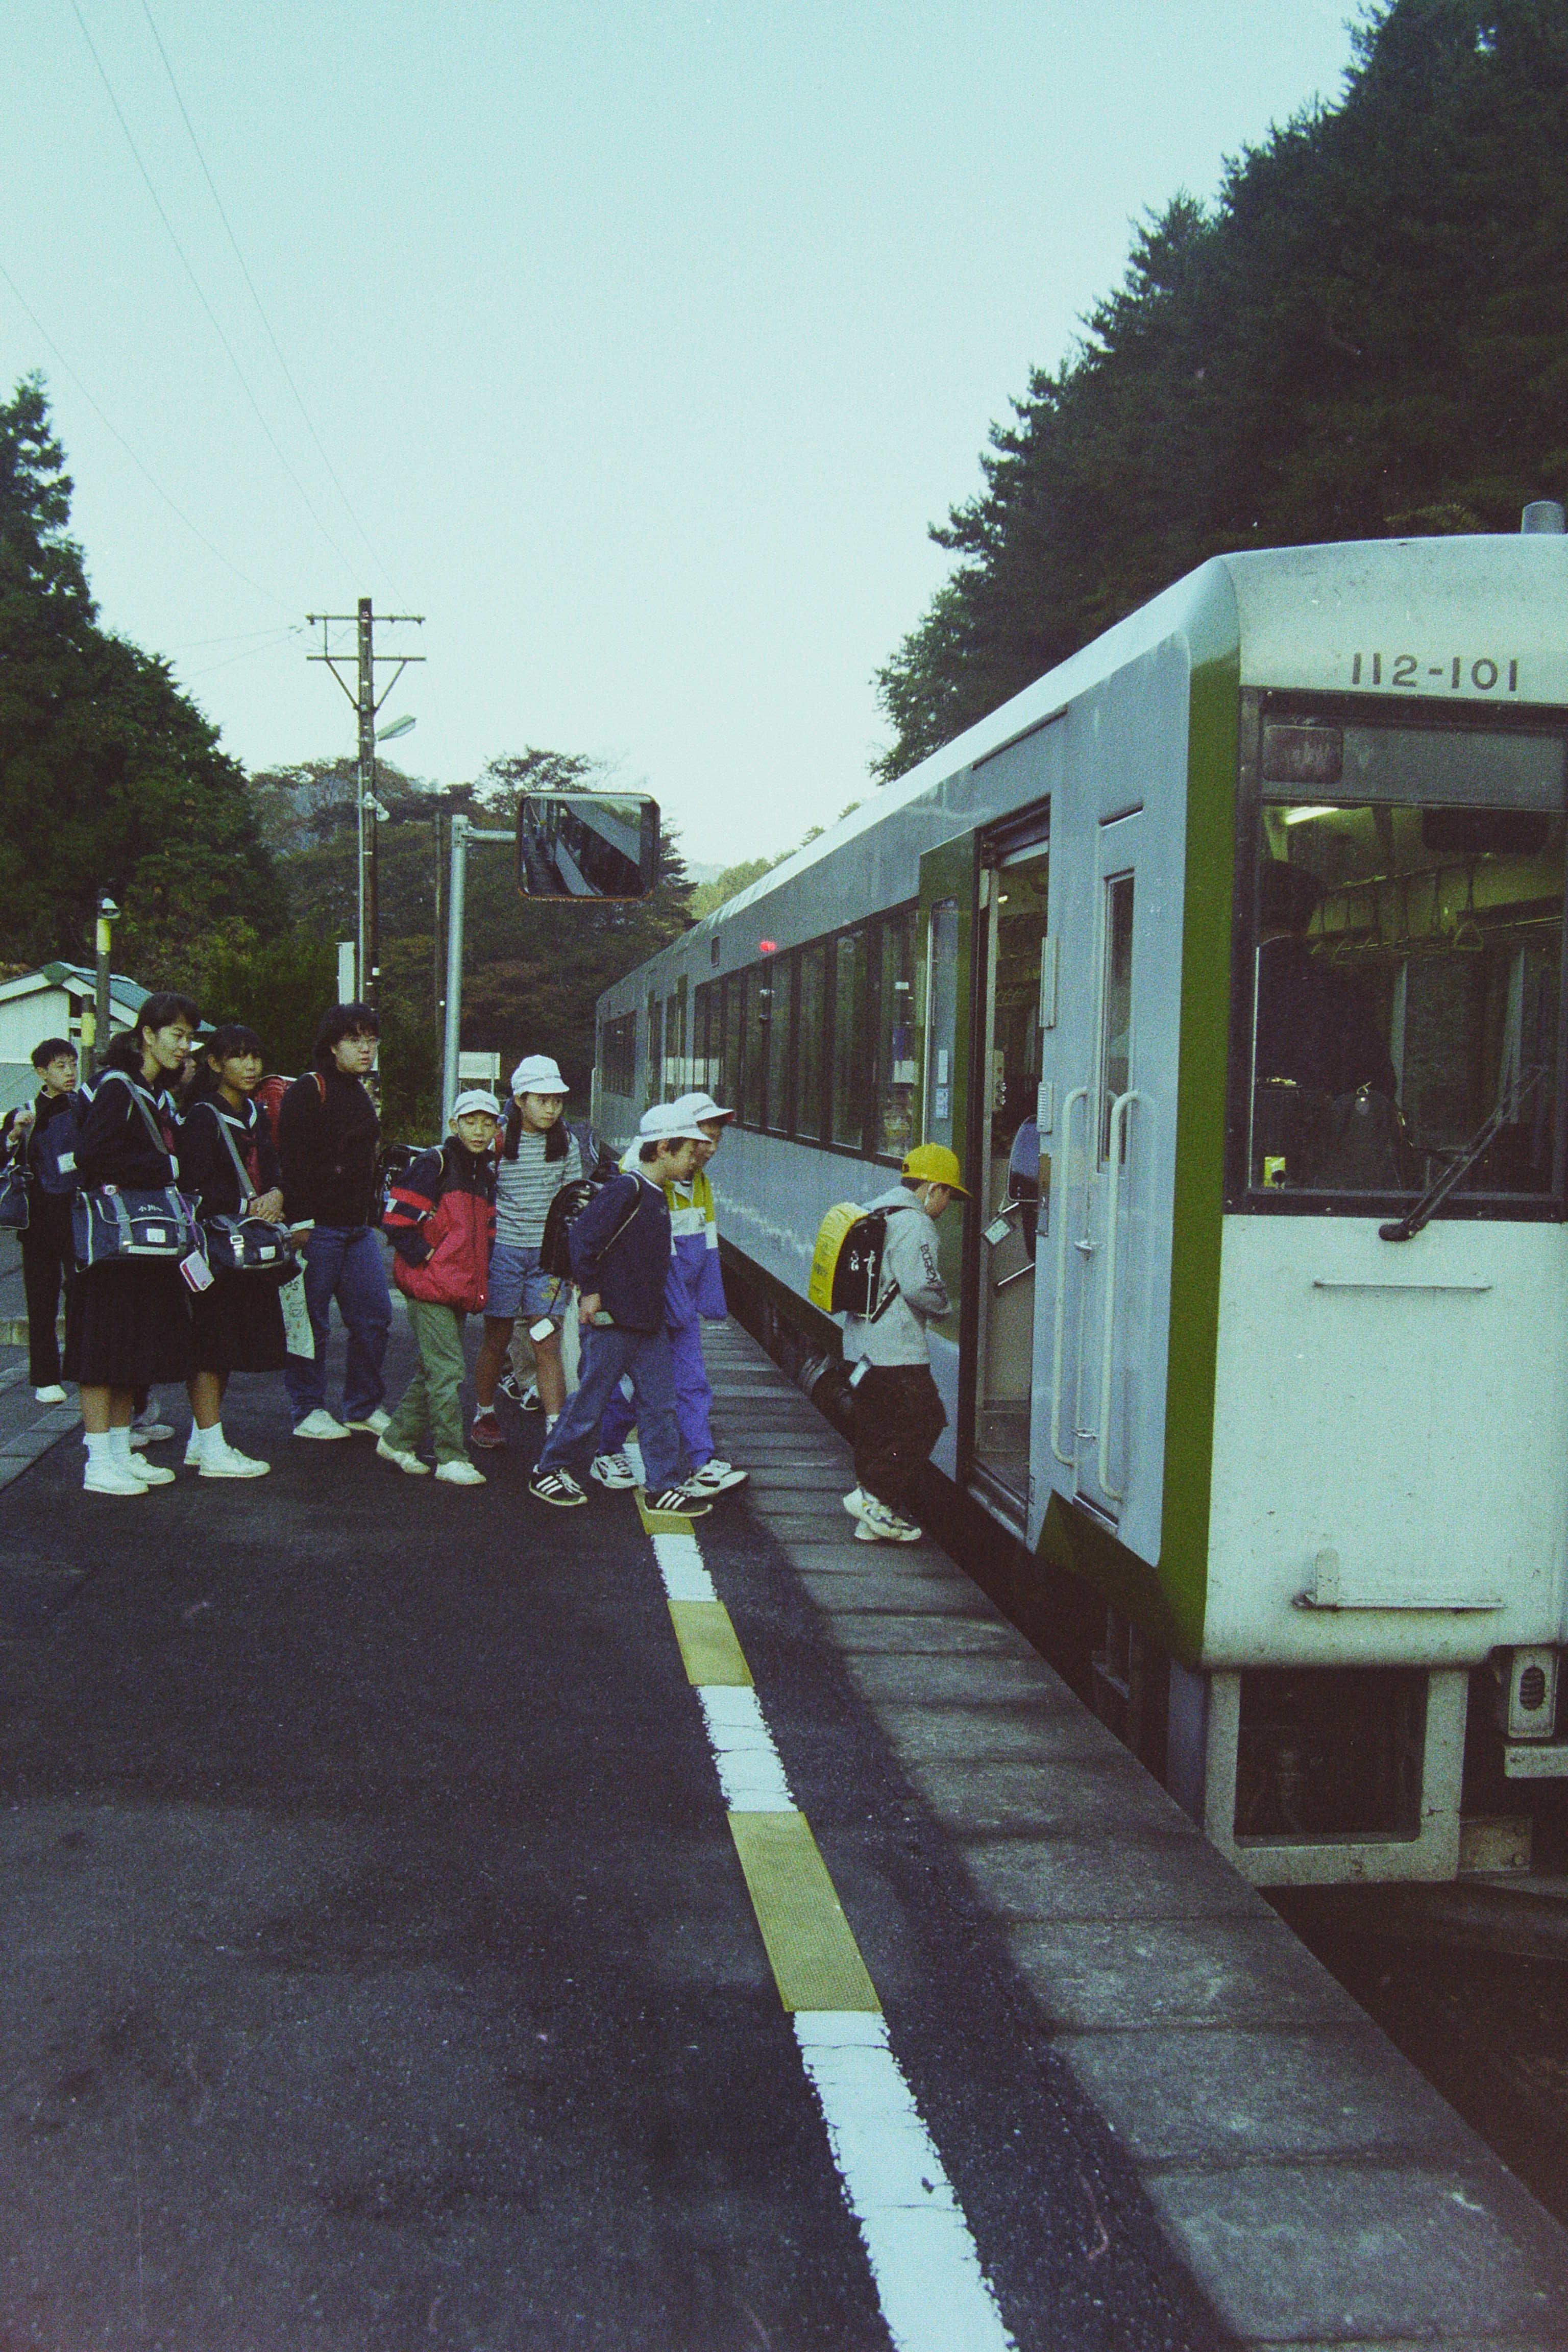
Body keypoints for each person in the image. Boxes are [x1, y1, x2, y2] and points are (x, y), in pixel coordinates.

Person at [527, 1108, 718, 1515]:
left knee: (660, 1404)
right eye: (687, 1151)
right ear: (664, 1148)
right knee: (592, 1400)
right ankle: (549, 1468)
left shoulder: (655, 1194)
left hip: (647, 1324)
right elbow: (582, 1239)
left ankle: (663, 1484)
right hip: (613, 1320)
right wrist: (591, 1293)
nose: (693, 1160)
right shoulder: (626, 1190)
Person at [65, 994, 199, 1497]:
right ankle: (98, 1460)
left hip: (133, 1244)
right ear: (147, 1034)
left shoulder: (146, 1091)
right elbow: (93, 1156)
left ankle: (119, 1451)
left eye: (189, 1038)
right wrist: (168, 1168)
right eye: (176, 1035)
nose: (184, 1047)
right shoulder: (119, 1089)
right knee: (101, 1350)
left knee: (125, 1348)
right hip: (108, 1244)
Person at [592, 1089, 747, 1497]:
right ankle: (606, 1450)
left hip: (679, 1304)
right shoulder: (636, 1177)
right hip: (642, 1303)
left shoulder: (699, 1182)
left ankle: (701, 1460)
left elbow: (708, 1243)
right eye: (704, 1139)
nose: (711, 1149)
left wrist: (708, 1300)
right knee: (631, 1386)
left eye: (717, 1139)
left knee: (691, 1379)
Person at [175, 1024, 289, 1479]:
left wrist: (278, 1194)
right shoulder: (202, 1115)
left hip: (246, 1248)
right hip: (214, 1248)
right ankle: (212, 1447)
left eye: (255, 1056)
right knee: (210, 1346)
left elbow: (275, 1169)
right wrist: (249, 1204)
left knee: (225, 1347)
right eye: (238, 1057)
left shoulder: (257, 1113)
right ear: (215, 1063)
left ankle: (201, 1441)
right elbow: (194, 1186)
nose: (250, 1066)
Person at [276, 1001, 392, 1440]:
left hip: (357, 1228)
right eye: (354, 1039)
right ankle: (307, 1410)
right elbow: (292, 1159)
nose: (366, 1049)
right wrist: (299, 1222)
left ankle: (362, 1406)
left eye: (371, 1039)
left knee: (375, 1316)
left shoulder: (360, 1091)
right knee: (311, 1323)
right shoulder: (310, 1089)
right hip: (316, 1227)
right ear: (332, 1044)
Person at [840, 1143, 967, 1545]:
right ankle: (875, 1498)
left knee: (876, 1428)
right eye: (948, 1194)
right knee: (927, 1421)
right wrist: (947, 1307)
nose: (947, 1205)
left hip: (858, 1346)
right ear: (933, 1188)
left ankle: (873, 1518)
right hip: (896, 1350)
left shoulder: (873, 1211)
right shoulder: (916, 1225)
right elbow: (922, 1286)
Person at [378, 1089, 500, 1486]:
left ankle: (397, 1441)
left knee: (433, 1370)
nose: (479, 1131)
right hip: (432, 1288)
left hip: (459, 1288)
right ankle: (451, 1456)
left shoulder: (485, 1171)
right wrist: (430, 1259)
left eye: (487, 1122)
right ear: (454, 1124)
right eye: (470, 1121)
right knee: (447, 1370)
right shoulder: (435, 1163)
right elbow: (396, 1221)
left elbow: (489, 1231)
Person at [470, 1057, 582, 1450]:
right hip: (503, 1254)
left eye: (557, 1100)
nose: (551, 1108)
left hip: (547, 1260)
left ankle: (556, 1426)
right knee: (497, 1337)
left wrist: (573, 1262)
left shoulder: (567, 1141)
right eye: (542, 1099)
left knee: (546, 1342)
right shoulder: (498, 1140)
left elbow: (574, 1202)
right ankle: (484, 1413)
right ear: (520, 1099)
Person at [2, 1037, 82, 1402]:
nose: (69, 1072)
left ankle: (84, 1369)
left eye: (72, 1064)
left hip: (79, 1214)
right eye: (60, 1066)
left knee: (84, 1295)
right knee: (42, 1299)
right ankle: (45, 1377)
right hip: (38, 1220)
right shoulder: (23, 1111)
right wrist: (14, 1133)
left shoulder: (85, 1107)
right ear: (41, 1072)